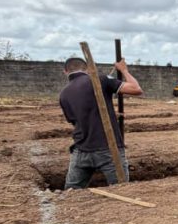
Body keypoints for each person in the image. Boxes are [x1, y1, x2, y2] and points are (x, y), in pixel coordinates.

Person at [59, 57, 143, 189]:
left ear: (65, 71)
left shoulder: (64, 94)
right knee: (122, 191)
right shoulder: (99, 80)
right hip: (108, 148)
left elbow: (78, 120)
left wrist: (110, 114)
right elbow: (136, 89)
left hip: (81, 150)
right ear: (87, 69)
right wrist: (124, 70)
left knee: (71, 193)